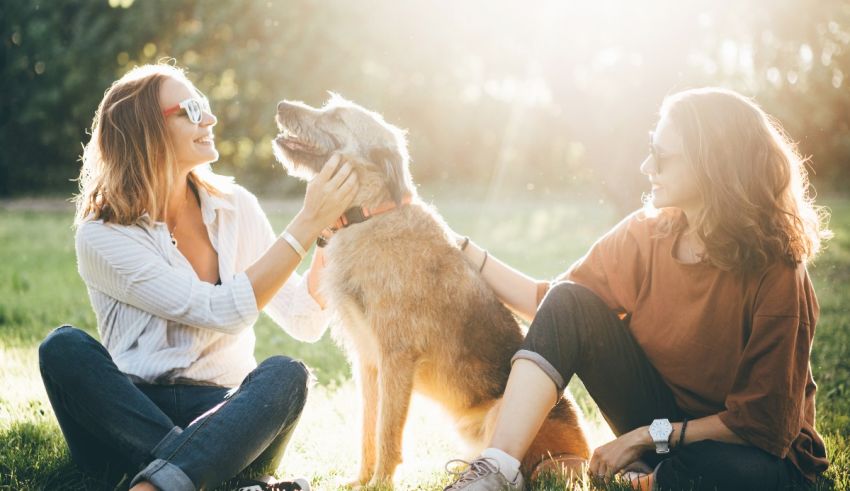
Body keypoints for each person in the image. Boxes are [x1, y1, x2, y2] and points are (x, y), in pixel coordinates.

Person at [444, 88, 831, 490]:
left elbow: (761, 423)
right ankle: (498, 469)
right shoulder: (647, 233)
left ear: (712, 165)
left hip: (746, 449)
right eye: (651, 149)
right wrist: (462, 248)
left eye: (662, 156)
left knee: (742, 475)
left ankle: (639, 481)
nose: (647, 166)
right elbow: (553, 308)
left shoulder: (778, 269)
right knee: (568, 299)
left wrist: (647, 436)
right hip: (662, 423)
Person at [38, 63, 358, 491]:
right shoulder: (102, 235)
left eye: (204, 106)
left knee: (286, 374)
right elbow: (221, 311)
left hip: (227, 414)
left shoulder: (236, 207)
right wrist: (304, 222)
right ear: (146, 130)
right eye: (191, 109)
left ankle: (158, 482)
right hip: (129, 413)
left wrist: (324, 231)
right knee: (62, 347)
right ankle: (204, 473)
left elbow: (304, 318)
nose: (210, 119)